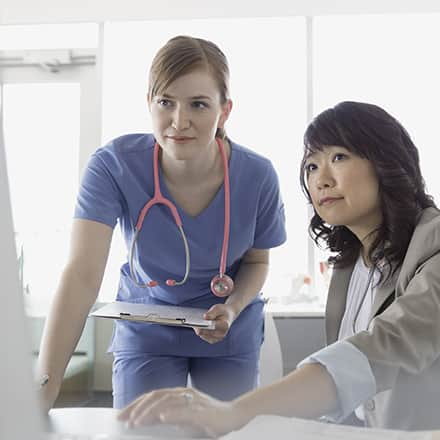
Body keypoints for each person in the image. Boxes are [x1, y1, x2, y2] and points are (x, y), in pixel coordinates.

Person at [118, 101, 440, 436]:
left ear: (387, 160)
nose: (321, 180)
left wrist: (235, 410)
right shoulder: (352, 265)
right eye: (312, 166)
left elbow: (384, 346)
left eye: (339, 157)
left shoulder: (433, 246)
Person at [37, 35, 286, 410]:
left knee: (225, 434)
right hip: (148, 328)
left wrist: (232, 308)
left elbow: (257, 261)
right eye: (165, 102)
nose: (179, 121)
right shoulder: (114, 166)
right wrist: (45, 383)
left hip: (225, 331)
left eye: (198, 104)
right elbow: (82, 274)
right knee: (144, 432)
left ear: (225, 110)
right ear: (149, 103)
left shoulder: (257, 175)